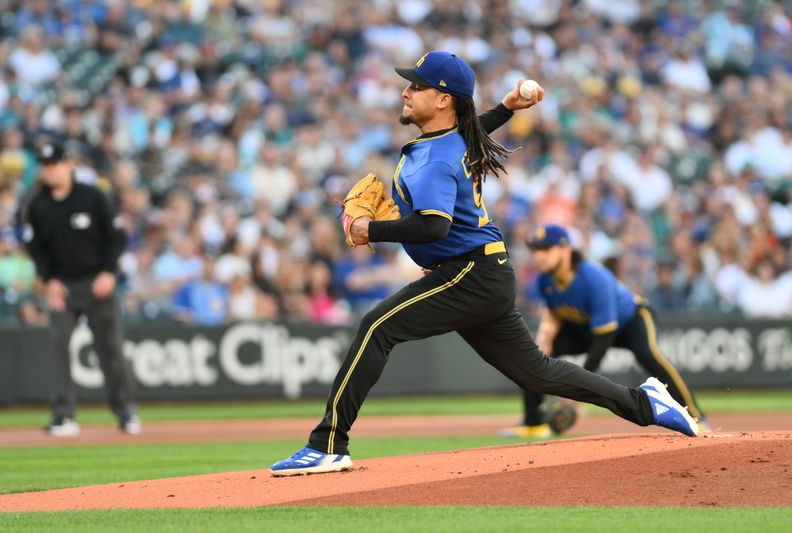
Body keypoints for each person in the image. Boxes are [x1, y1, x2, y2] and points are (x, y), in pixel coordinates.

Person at [270, 51, 700, 477]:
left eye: (416, 86)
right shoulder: (452, 139)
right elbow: (476, 130)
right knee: (538, 374)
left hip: (469, 273)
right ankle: (645, 403)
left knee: (377, 328)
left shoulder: (437, 157)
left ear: (443, 100)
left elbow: (433, 227)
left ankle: (327, 444)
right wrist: (507, 107)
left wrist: (372, 232)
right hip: (484, 272)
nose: (405, 91)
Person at [501, 224, 706, 438]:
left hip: (631, 320)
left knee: (649, 355)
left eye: (546, 249)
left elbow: (604, 336)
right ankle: (533, 422)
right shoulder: (545, 279)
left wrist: (576, 397)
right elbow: (553, 312)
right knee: (535, 355)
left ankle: (696, 415)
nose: (539, 256)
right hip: (587, 328)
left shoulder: (594, 278)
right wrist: (546, 332)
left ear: (565, 249)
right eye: (536, 250)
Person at [20, 141, 140, 437]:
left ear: (67, 164)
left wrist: (109, 273)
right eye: (45, 165)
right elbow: (37, 250)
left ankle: (126, 414)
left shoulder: (92, 196)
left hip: (98, 281)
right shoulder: (38, 205)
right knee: (60, 345)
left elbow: (116, 237)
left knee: (110, 349)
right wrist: (50, 281)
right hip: (64, 285)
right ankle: (64, 416)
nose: (50, 170)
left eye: (54, 164)